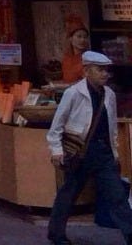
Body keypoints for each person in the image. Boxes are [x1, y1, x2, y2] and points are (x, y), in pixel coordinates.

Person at [47, 49, 132, 245]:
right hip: (80, 152)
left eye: (106, 70)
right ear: (86, 71)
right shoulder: (73, 93)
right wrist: (56, 150)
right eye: (99, 70)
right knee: (68, 194)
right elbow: (57, 125)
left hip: (103, 152)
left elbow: (111, 126)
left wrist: (115, 151)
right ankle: (56, 233)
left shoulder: (109, 94)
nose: (105, 74)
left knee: (117, 195)